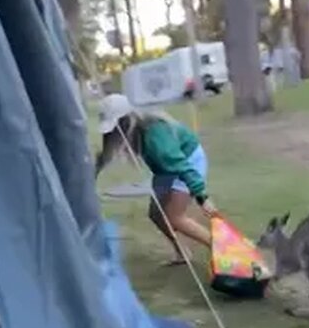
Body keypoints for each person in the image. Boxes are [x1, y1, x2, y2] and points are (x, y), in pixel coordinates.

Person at [94, 94, 219, 265]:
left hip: (188, 161)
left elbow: (180, 164)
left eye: (117, 127)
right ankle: (182, 253)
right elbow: (106, 154)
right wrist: (91, 176)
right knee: (157, 215)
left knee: (175, 217)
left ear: (127, 119)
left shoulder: (154, 134)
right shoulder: (125, 132)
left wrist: (201, 197)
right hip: (164, 169)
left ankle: (222, 251)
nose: (115, 133)